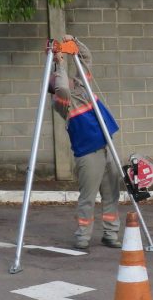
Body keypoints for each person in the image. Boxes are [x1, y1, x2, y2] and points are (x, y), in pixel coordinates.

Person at [49, 35, 123, 249]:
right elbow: (62, 87)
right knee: (88, 198)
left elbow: (85, 58)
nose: (67, 80)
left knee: (112, 195)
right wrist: (59, 63)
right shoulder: (62, 102)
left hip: (107, 148)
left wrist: (74, 42)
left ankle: (110, 234)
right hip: (88, 155)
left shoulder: (83, 88)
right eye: (59, 79)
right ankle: (83, 237)